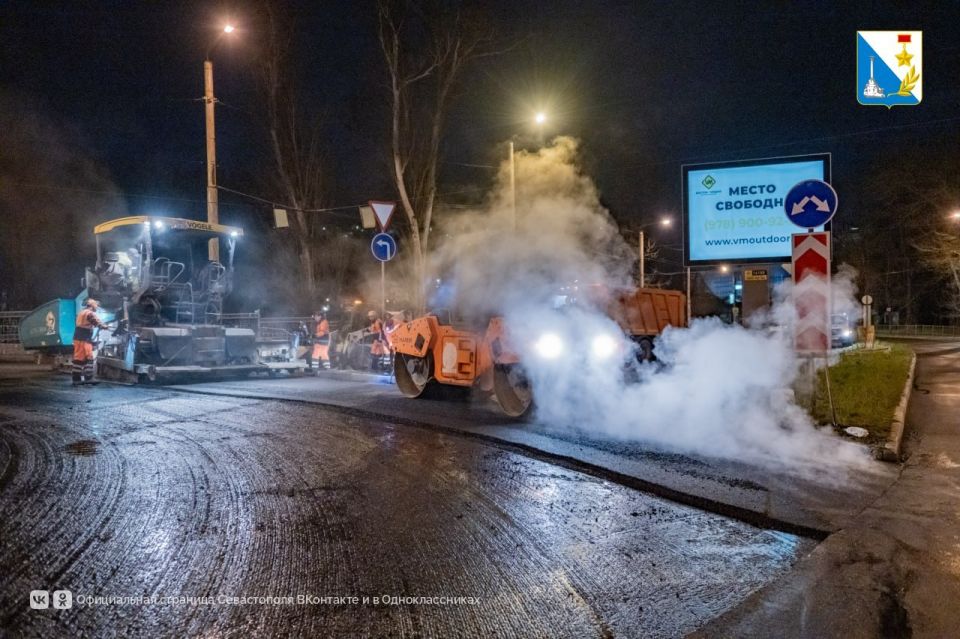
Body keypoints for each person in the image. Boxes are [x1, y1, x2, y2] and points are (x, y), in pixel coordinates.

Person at [73, 298, 109, 385]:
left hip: (78, 338)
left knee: (79, 358)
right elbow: (96, 322)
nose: (97, 307)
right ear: (92, 306)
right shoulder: (89, 313)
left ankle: (76, 379)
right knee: (89, 357)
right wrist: (104, 326)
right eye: (96, 305)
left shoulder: (82, 312)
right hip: (84, 339)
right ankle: (88, 378)